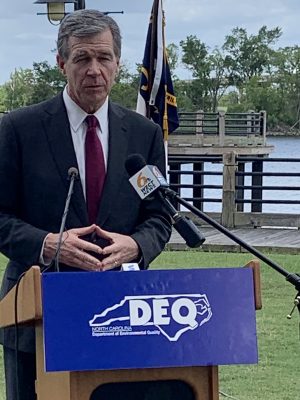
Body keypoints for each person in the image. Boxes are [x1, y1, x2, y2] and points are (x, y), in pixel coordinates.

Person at [0, 9, 171, 400]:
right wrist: (45, 243)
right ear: (61, 63)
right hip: (34, 313)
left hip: (121, 312)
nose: (94, 70)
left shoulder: (143, 136)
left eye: (104, 58)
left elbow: (159, 214)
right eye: (82, 59)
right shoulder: (18, 129)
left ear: (117, 62)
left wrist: (138, 245)